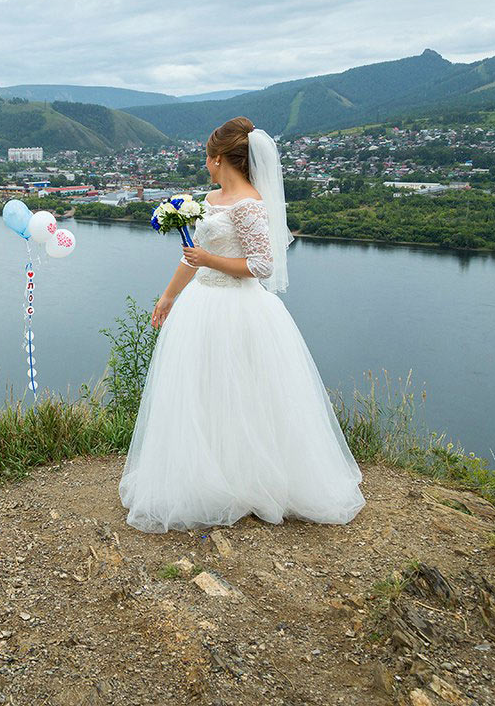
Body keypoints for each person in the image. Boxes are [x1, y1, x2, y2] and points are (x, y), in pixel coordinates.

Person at [118, 117, 365, 533]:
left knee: (245, 392)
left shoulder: (250, 203)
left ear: (219, 159)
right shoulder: (210, 198)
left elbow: (261, 264)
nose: (205, 165)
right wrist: (169, 295)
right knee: (204, 391)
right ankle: (209, 478)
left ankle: (252, 481)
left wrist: (208, 261)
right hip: (202, 303)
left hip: (239, 309)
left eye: (206, 158)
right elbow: (191, 256)